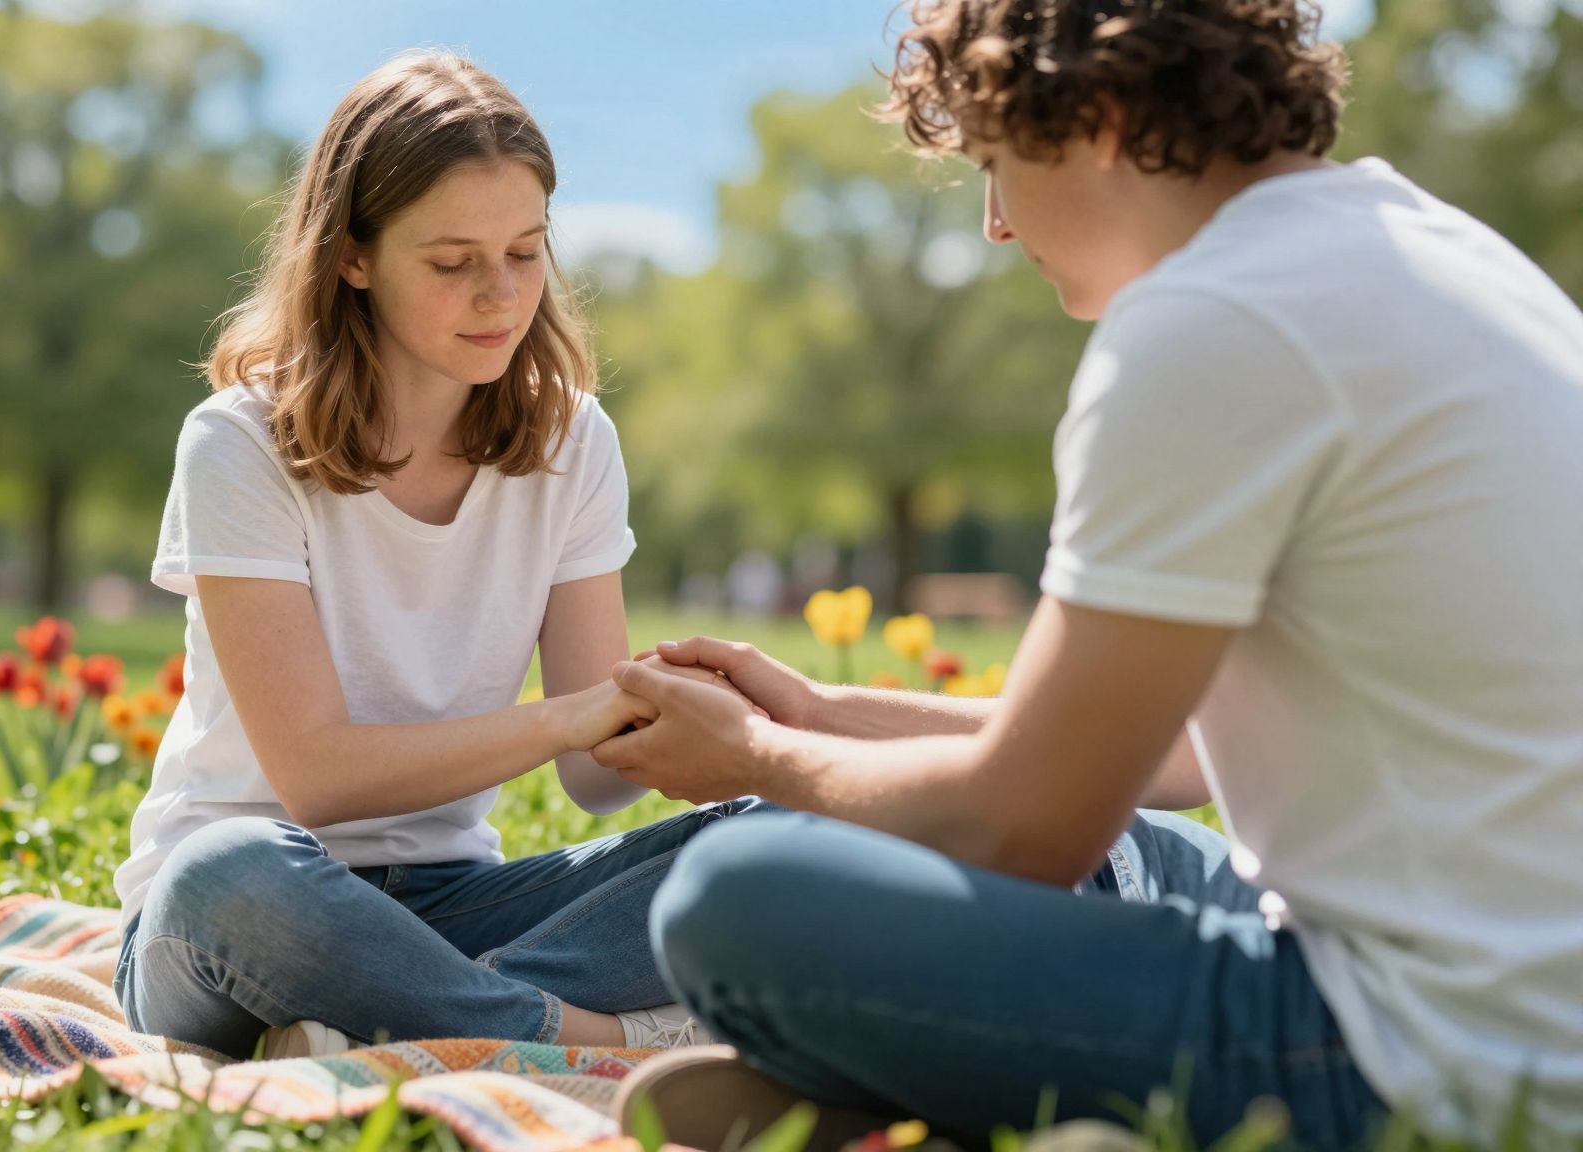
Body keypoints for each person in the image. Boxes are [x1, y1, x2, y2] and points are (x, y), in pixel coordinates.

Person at [599, 0, 1583, 1147]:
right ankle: (982, 1102)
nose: (993, 227)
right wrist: (827, 712)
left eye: (994, 166)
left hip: (1424, 1060)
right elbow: (1165, 754)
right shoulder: (1432, 250)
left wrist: (756, 758)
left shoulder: (1211, 321)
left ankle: (968, 1099)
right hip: (1533, 1000)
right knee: (1170, 859)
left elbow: (1024, 830)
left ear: (1099, 115)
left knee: (734, 901)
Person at [110, 52, 759, 1063]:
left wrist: (696, 714)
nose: (500, 297)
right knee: (225, 868)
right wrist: (568, 715)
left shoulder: (573, 442)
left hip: (451, 905)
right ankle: (580, 1037)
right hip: (239, 915)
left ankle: (384, 1023)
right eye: (452, 263)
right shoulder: (236, 441)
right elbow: (315, 778)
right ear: (351, 257)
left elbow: (594, 774)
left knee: (761, 842)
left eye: (526, 253)